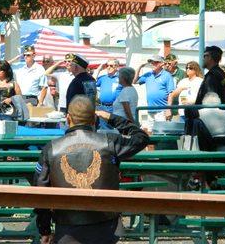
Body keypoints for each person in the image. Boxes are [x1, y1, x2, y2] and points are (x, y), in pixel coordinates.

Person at [33, 95, 149, 244]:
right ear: (94, 120)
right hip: (106, 228)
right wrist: (111, 117)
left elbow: (40, 191)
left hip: (67, 229)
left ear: (68, 118)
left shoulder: (52, 148)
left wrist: (44, 229)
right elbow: (141, 137)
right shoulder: (109, 143)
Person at [134, 55, 175, 129]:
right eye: (151, 62)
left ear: (161, 63)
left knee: (162, 134)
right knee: (150, 134)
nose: (152, 64)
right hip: (150, 110)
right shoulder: (148, 74)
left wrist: (168, 109)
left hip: (162, 111)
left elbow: (171, 94)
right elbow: (134, 81)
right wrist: (140, 66)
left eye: (155, 62)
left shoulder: (167, 75)